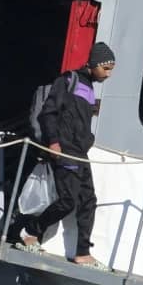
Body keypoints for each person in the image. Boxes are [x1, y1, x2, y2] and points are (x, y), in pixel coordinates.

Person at [20, 42, 115, 268]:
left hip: (80, 153)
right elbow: (48, 113)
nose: (109, 74)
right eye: (106, 68)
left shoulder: (90, 89)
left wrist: (87, 141)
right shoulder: (68, 81)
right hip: (65, 150)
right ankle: (30, 232)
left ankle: (83, 253)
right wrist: (53, 142)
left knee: (88, 201)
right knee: (67, 201)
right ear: (94, 64)